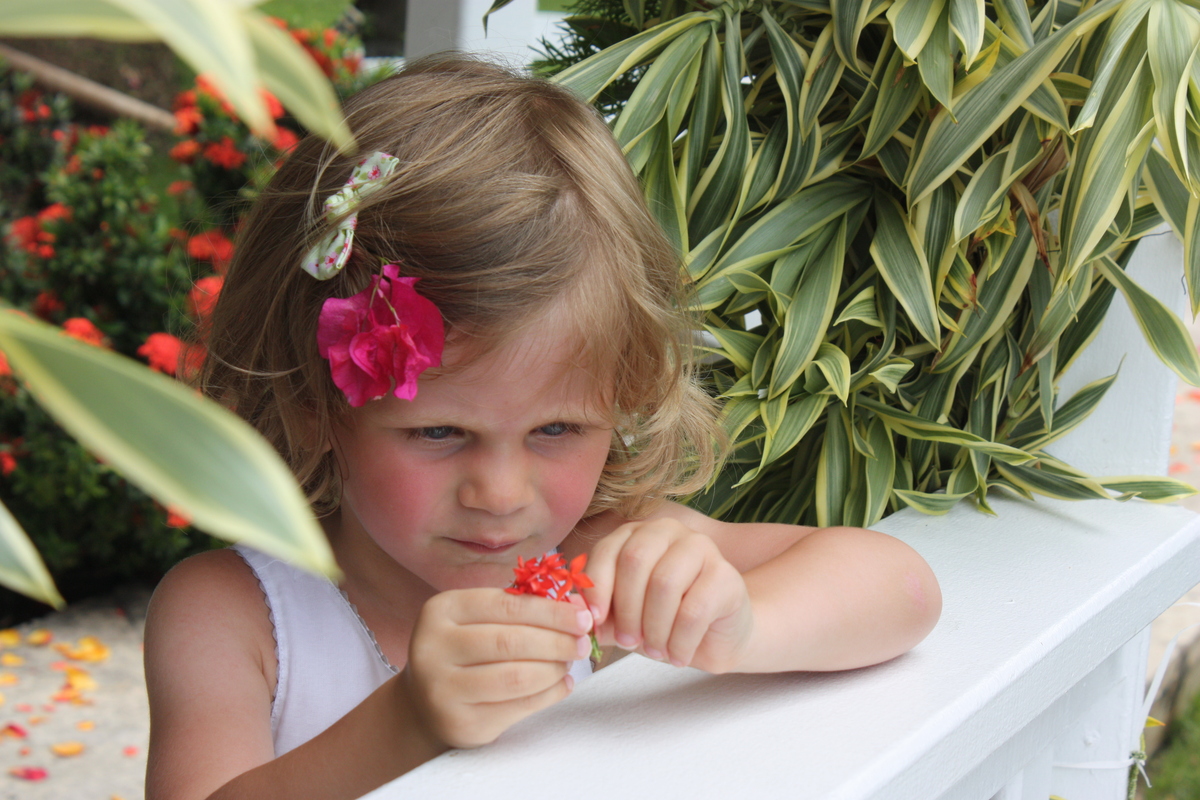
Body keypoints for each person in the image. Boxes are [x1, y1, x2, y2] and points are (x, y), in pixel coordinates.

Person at [142, 54, 941, 800]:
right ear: (313, 407)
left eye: (557, 430)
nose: (500, 494)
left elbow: (905, 589)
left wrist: (741, 626)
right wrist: (407, 722)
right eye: (439, 433)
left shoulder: (601, 558)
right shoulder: (238, 618)